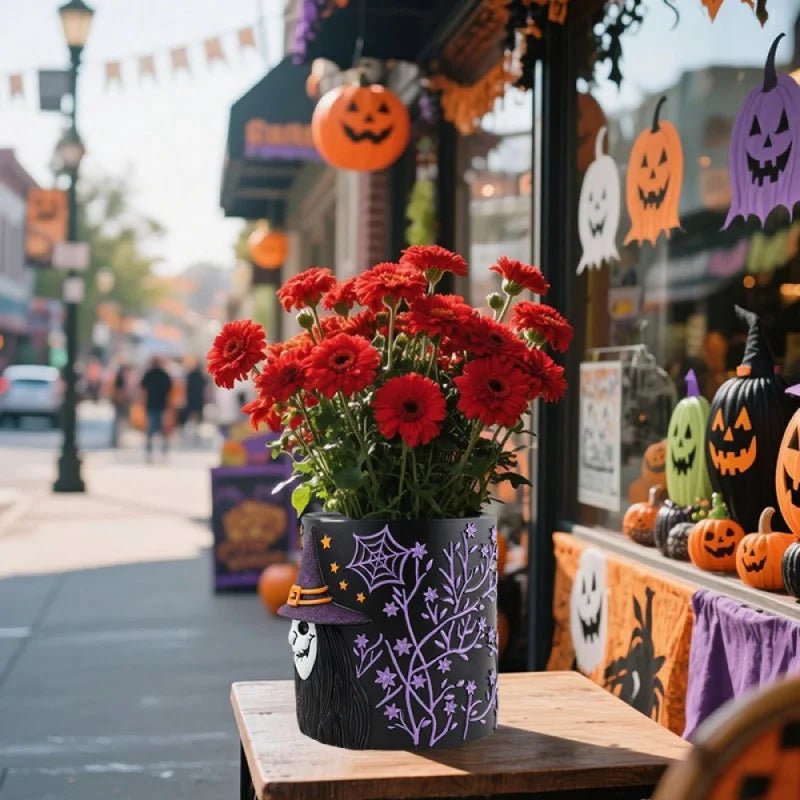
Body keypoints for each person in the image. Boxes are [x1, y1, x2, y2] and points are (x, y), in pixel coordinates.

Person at [140, 356, 173, 460]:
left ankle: (150, 451)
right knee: (162, 429)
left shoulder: (149, 374)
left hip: (152, 404)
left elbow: (142, 388)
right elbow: (170, 388)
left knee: (151, 429)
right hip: (161, 404)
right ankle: (163, 450)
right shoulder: (164, 374)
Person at [183, 359, 207, 443]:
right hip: (198, 398)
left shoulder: (189, 375)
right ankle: (194, 433)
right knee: (197, 417)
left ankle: (191, 433)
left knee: (191, 416)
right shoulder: (201, 376)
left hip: (191, 398)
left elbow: (186, 387)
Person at [109, 363, 131, 448]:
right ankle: (115, 439)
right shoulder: (120, 379)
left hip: (119, 402)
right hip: (119, 403)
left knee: (119, 421)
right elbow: (118, 391)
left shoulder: (121, 378)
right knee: (118, 421)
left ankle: (117, 438)